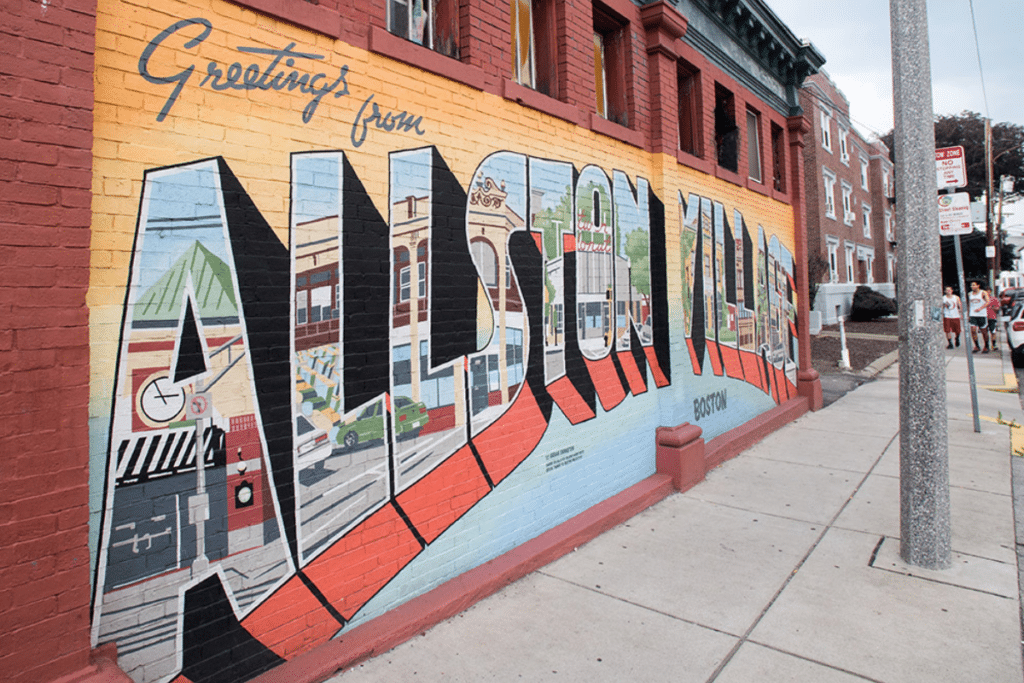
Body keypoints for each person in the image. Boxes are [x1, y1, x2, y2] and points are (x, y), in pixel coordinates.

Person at [967, 280, 990, 353]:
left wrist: (980, 308)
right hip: (973, 314)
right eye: (971, 285)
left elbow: (988, 302)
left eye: (974, 285)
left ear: (978, 285)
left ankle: (986, 346)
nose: (972, 287)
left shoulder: (983, 293)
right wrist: (968, 314)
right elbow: (969, 304)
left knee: (983, 331)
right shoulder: (970, 294)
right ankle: (977, 346)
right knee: (973, 330)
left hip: (981, 314)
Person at [986, 287, 1000, 351]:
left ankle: (994, 345)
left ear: (990, 292)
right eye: (986, 291)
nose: (987, 293)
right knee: (985, 332)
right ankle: (986, 345)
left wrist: (993, 307)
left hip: (992, 318)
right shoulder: (982, 299)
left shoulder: (994, 299)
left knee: (993, 332)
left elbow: (998, 308)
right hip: (984, 318)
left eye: (988, 291)